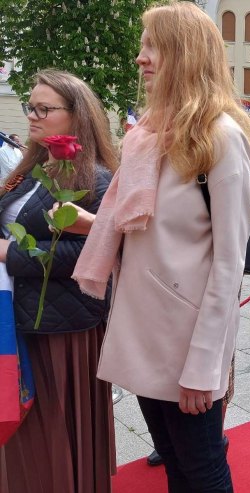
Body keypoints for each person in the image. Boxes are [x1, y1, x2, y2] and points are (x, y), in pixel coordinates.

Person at [73, 3, 250, 491]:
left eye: (151, 45)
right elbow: (138, 232)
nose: (141, 58)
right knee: (176, 464)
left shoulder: (221, 136)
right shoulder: (148, 137)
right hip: (142, 331)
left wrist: (203, 365)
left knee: (202, 472)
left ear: (184, 52)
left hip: (185, 343)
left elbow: (228, 263)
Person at [0, 69, 117, 492]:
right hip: (19, 320)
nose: (32, 116)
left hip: (62, 332)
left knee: (55, 435)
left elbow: (90, 256)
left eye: (44, 109)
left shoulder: (96, 180)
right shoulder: (28, 171)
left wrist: (9, 253)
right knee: (24, 438)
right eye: (31, 106)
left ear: (76, 115)